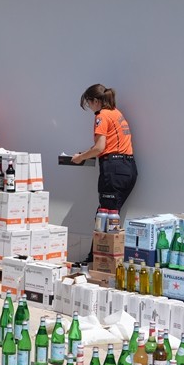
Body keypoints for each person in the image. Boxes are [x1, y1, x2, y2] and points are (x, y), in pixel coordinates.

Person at [71, 83, 137, 262]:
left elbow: (100, 147)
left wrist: (81, 157)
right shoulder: (117, 113)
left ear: (95, 101)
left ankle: (97, 261)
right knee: (111, 217)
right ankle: (104, 260)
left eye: (89, 103)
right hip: (128, 168)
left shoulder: (102, 116)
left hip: (113, 170)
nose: (90, 108)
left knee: (104, 218)